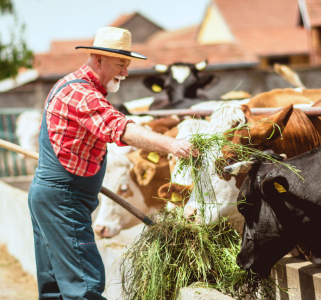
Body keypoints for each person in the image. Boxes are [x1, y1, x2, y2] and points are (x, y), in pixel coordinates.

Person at [28, 27, 197, 300]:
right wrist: (171, 145)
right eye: (121, 64)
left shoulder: (68, 85)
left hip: (51, 198)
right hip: (64, 201)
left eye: (127, 65)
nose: (126, 72)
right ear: (98, 60)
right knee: (84, 284)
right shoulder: (82, 95)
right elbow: (120, 128)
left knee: (55, 288)